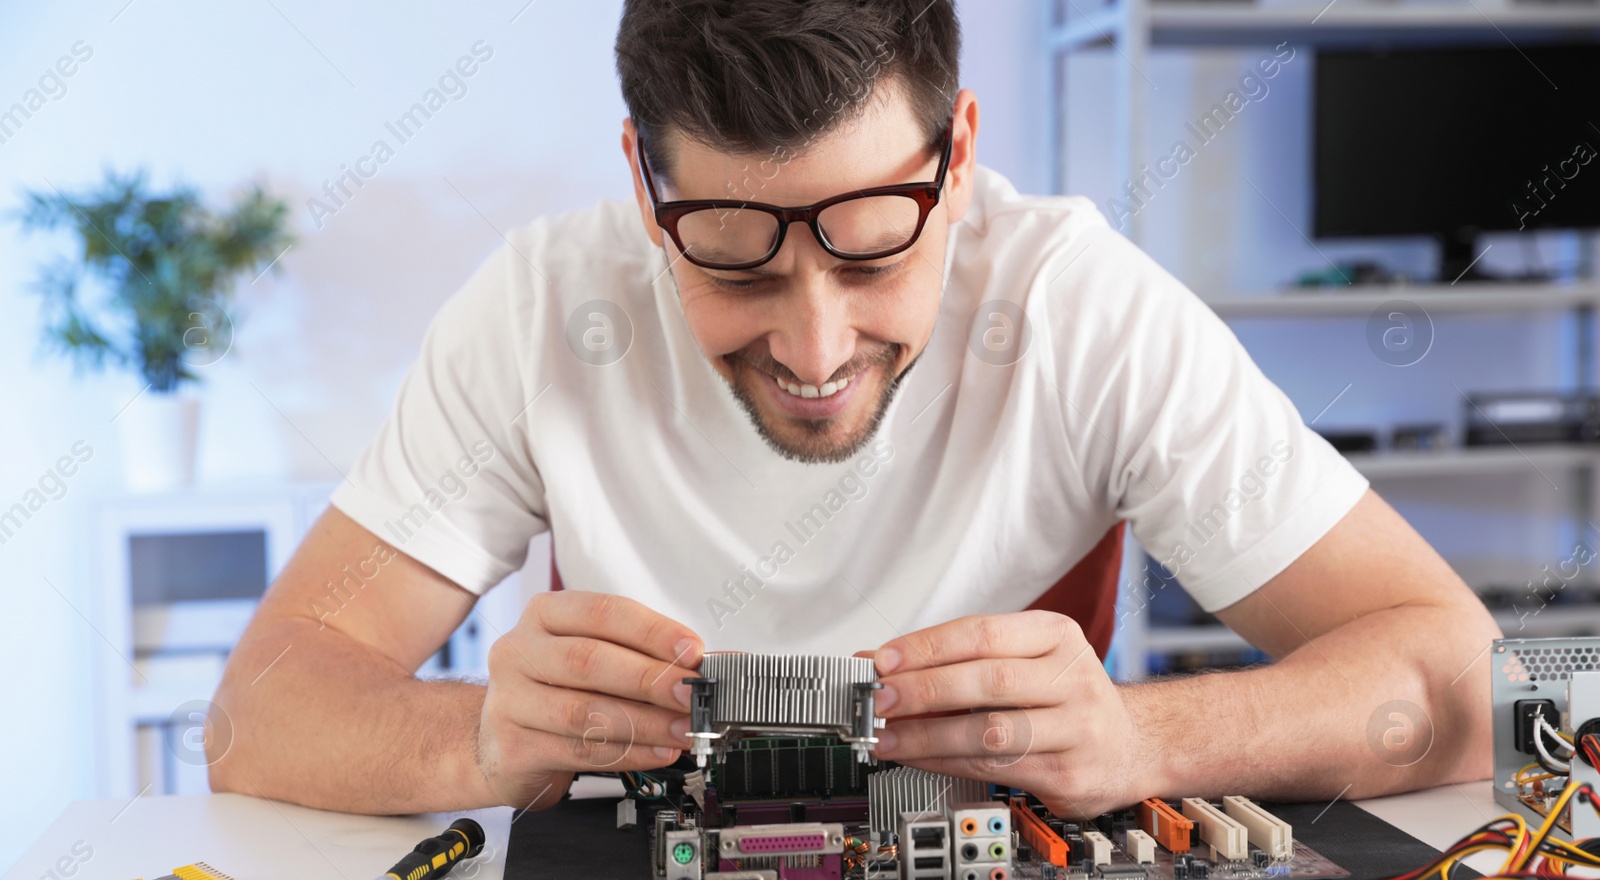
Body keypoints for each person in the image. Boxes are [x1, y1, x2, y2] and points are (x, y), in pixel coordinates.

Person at [210, 0, 1496, 819]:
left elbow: (1462, 683)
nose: (815, 347)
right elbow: (258, 710)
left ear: (962, 152)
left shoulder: (1081, 309)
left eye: (876, 251)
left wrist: (1144, 735)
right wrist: (477, 743)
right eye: (735, 261)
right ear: (642, 186)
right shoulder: (543, 309)